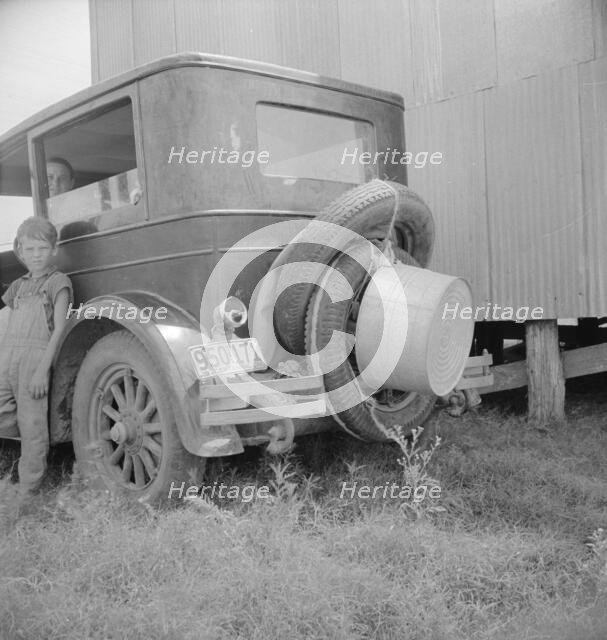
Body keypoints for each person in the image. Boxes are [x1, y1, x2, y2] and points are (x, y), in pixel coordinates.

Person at [0, 217, 72, 495]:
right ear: (20, 251)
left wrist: (43, 369)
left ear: (54, 249)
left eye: (42, 249)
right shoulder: (18, 285)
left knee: (32, 427)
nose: (36, 255)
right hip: (8, 358)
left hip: (35, 361)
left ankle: (28, 488)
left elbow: (60, 328)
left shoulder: (58, 282)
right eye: (29, 250)